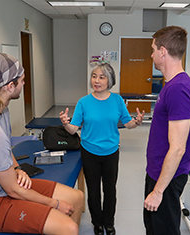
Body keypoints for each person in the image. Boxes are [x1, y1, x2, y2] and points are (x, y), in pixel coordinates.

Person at [0, 52, 84, 235]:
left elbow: (6, 151)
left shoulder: (1, 111)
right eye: (22, 81)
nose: (24, 84)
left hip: (3, 187)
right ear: (10, 86)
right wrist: (55, 204)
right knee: (69, 228)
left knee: (77, 197)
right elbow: (14, 191)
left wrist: (17, 169)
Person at [59, 63, 145, 235]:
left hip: (111, 152)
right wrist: (65, 123)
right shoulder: (83, 102)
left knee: (110, 190)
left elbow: (127, 124)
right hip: (89, 152)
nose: (96, 80)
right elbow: (73, 129)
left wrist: (136, 122)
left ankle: (109, 223)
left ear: (109, 80)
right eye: (94, 76)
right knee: (94, 191)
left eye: (102, 77)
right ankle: (97, 224)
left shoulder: (117, 100)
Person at [143, 26, 190, 235]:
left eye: (153, 49)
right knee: (153, 227)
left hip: (166, 178)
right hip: (158, 171)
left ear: (163, 51)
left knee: (163, 230)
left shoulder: (178, 89)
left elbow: (177, 148)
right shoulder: (173, 85)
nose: (151, 55)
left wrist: (158, 191)